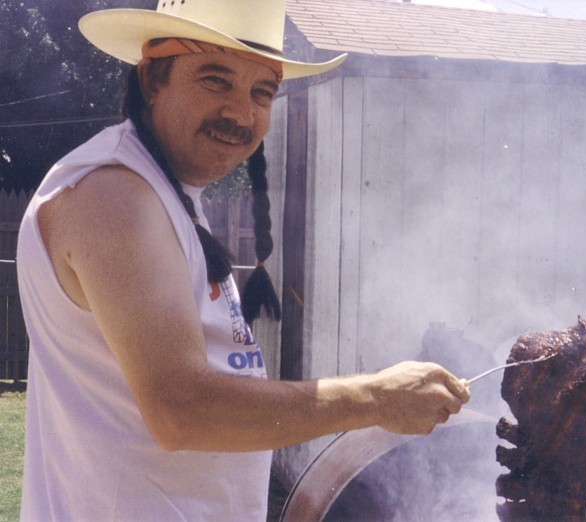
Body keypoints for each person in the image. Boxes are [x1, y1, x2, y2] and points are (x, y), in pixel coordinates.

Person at [16, 1, 470, 520]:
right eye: (216, 80)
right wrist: (374, 398)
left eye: (262, 92)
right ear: (151, 79)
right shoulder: (114, 196)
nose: (241, 114)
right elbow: (182, 411)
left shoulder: (162, 193)